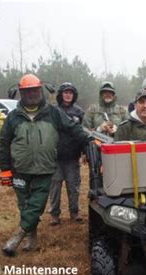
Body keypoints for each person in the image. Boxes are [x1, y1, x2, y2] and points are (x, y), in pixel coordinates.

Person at [0, 74, 91, 256]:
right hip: (19, 170)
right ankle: (32, 238)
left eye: (35, 90)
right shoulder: (13, 117)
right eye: (27, 91)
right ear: (21, 93)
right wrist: (5, 170)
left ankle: (18, 236)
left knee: (36, 205)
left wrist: (89, 139)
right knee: (24, 205)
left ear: (41, 91)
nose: (32, 94)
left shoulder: (53, 113)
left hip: (44, 169)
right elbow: (4, 143)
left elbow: (73, 128)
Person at [48, 82, 85, 226]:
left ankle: (74, 212)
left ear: (74, 95)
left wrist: (84, 152)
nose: (68, 94)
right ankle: (54, 214)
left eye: (70, 92)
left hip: (72, 156)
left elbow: (83, 133)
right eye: (65, 92)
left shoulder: (79, 112)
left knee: (73, 186)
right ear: (61, 94)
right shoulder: (54, 111)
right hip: (56, 156)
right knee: (55, 186)